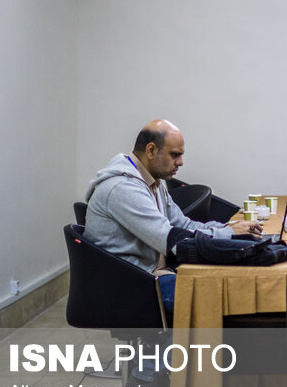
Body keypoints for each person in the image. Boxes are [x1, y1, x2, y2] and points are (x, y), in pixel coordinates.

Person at [84, 119, 260, 312]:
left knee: (230, 284)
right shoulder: (122, 188)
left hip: (156, 272)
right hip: (133, 283)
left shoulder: (153, 182)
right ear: (151, 150)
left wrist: (228, 229)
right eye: (175, 155)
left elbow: (183, 224)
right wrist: (228, 235)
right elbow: (171, 239)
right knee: (223, 298)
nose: (180, 162)